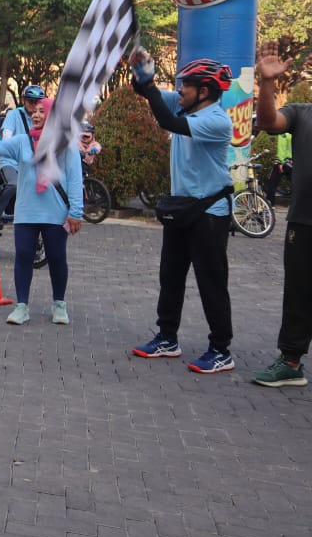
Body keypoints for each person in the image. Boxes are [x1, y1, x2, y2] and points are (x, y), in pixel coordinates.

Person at [129, 52, 236, 374]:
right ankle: (167, 338)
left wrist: (149, 85)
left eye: (186, 85)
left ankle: (221, 350)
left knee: (211, 282)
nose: (180, 90)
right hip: (181, 208)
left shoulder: (217, 120)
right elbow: (143, 90)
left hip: (210, 211)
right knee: (170, 276)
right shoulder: (183, 104)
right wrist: (141, 69)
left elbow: (168, 122)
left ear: (204, 91)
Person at [0, 99, 83, 324]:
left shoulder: (66, 144)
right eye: (34, 112)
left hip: (55, 212)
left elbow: (75, 178)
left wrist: (76, 211)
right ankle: (21, 307)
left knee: (57, 258)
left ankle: (59, 304)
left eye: (42, 111)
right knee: (24, 256)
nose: (35, 115)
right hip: (26, 211)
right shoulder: (23, 142)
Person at [250, 40, 311, 387]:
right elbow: (269, 121)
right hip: (304, 221)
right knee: (298, 293)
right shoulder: (303, 113)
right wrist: (267, 81)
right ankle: (290, 362)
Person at [0, 85, 47, 243]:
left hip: (31, 164)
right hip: (10, 161)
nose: (34, 105)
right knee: (14, 184)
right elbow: (7, 139)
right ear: (24, 101)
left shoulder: (43, 118)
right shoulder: (14, 115)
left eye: (38, 101)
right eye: (31, 101)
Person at [263, 129, 293, 204]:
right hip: (294, 162)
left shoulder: (283, 132)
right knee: (297, 185)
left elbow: (281, 147)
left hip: (284, 162)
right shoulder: (297, 131)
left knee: (272, 183)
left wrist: (280, 162)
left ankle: (270, 204)